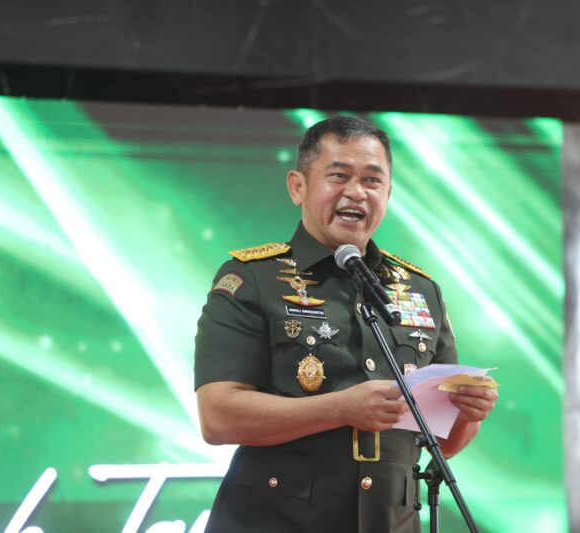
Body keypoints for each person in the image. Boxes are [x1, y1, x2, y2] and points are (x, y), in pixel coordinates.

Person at [194, 116, 498, 532]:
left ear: (388, 193)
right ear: (297, 187)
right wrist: (341, 408)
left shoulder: (421, 291)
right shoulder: (252, 278)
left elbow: (441, 443)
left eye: (372, 180)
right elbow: (218, 417)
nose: (356, 192)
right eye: (339, 176)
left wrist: (469, 415)